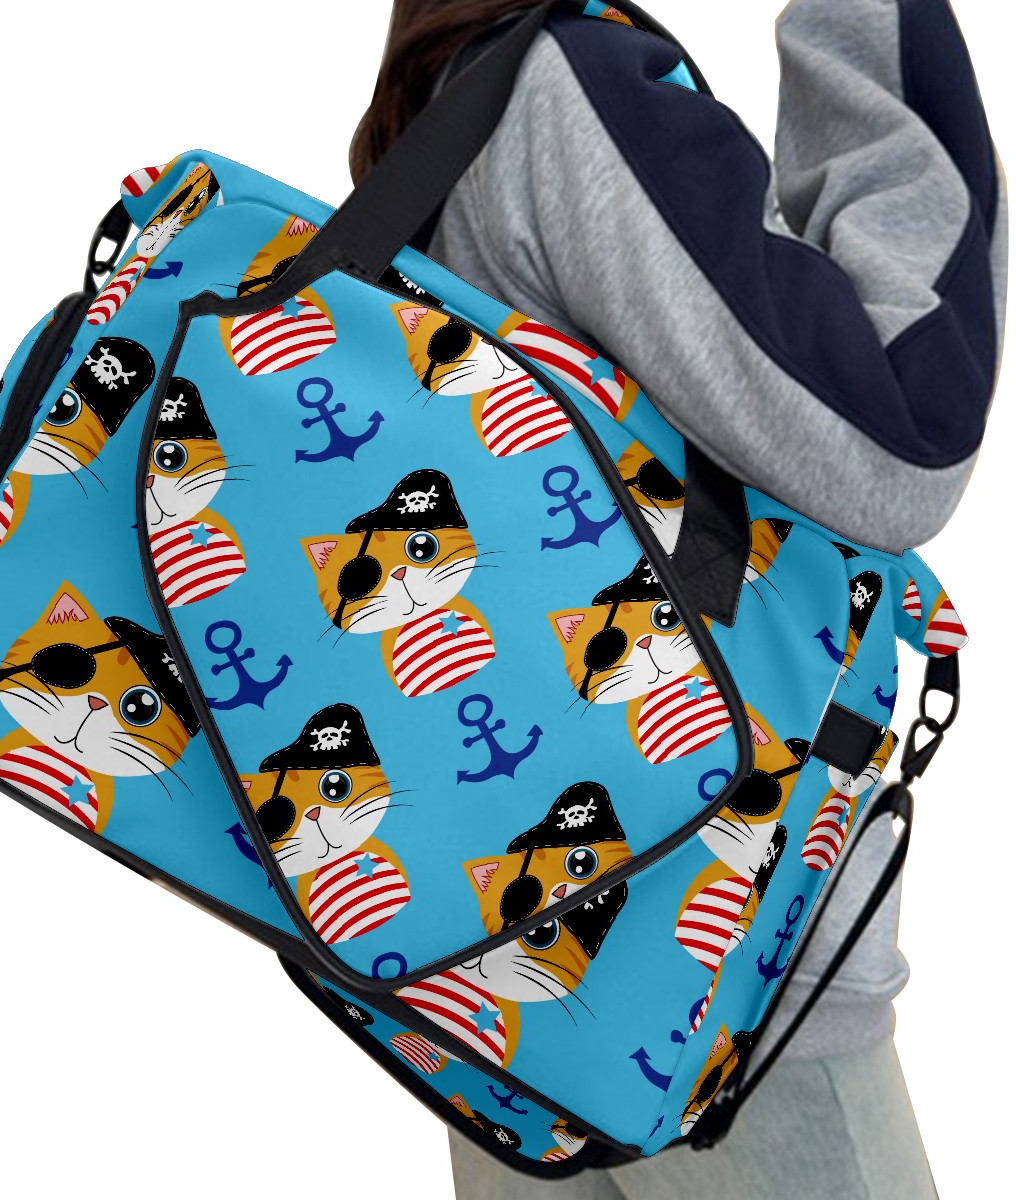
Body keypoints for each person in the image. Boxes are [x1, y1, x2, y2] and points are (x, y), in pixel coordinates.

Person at [350, 2, 1006, 1197]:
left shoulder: (439, 125)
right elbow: (902, 432)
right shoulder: (573, 90)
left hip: (490, 981)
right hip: (718, 985)